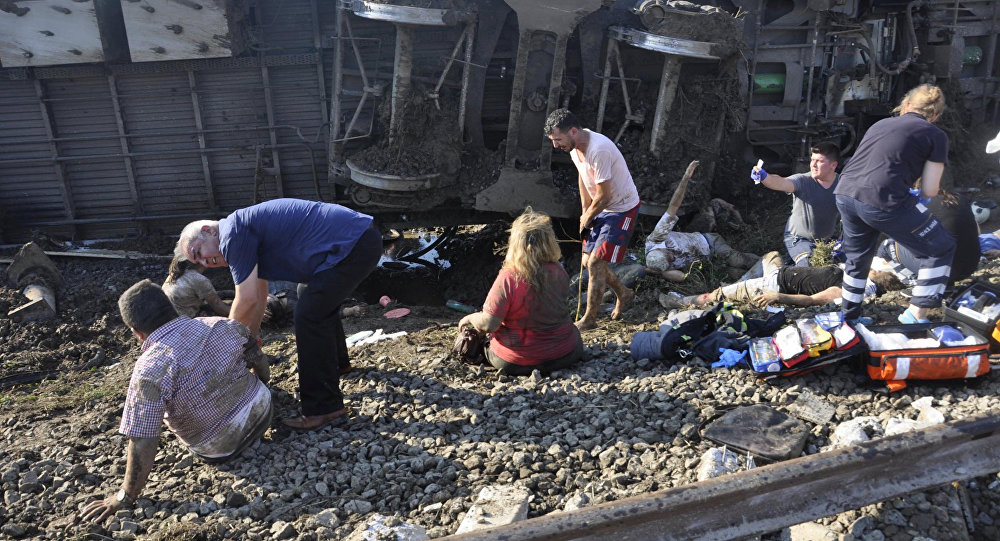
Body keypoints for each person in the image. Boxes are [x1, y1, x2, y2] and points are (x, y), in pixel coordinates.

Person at [175, 198, 381, 430]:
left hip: (355, 243)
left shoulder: (232, 234)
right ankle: (338, 365)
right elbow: (259, 297)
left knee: (308, 314)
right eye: (198, 261)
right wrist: (248, 345)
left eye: (199, 252)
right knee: (310, 296)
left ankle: (325, 408)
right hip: (359, 238)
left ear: (208, 231)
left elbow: (246, 298)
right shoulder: (239, 232)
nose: (205, 262)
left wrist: (228, 351)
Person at [81, 280, 271, 524]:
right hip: (263, 410)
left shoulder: (149, 369)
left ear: (137, 333)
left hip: (220, 447)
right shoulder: (222, 324)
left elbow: (143, 439)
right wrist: (264, 384)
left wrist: (125, 496)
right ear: (172, 307)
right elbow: (257, 358)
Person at [832, 84, 954, 324]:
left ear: (906, 105)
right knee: (941, 246)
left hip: (846, 193)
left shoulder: (880, 124)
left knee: (858, 258)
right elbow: (930, 189)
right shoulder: (935, 135)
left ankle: (849, 319)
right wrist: (918, 195)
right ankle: (915, 315)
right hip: (883, 199)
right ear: (936, 115)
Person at [544, 108, 639, 331]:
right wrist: (584, 210)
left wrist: (589, 215)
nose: (555, 145)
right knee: (587, 262)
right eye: (553, 140)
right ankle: (624, 293)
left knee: (596, 262)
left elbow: (605, 196)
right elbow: (582, 176)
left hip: (620, 208)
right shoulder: (574, 148)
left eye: (558, 139)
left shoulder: (599, 150)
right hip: (601, 207)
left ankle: (589, 320)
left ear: (574, 131)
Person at [457, 208, 583, 375]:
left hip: (515, 361)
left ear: (515, 242)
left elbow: (489, 324)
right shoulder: (559, 270)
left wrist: (469, 318)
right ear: (550, 241)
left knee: (477, 341)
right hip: (566, 354)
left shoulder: (509, 278)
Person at [659, 251, 904, 309]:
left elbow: (811, 300)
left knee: (716, 296)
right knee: (771, 254)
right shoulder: (850, 274)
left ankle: (677, 302)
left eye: (875, 271)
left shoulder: (847, 289)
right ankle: (740, 279)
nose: (872, 268)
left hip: (773, 285)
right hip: (780, 271)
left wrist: (778, 297)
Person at [644, 160, 759, 282]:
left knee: (737, 260)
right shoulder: (661, 265)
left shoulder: (657, 237)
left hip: (709, 242)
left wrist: (685, 179)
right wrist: (658, 272)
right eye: (669, 262)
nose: (673, 258)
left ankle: (768, 262)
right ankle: (763, 277)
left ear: (659, 248)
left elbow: (673, 206)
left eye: (668, 255)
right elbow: (682, 277)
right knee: (737, 274)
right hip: (710, 262)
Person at [751, 142, 841, 266]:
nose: (813, 165)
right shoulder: (803, 180)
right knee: (808, 268)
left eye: (819, 161)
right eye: (812, 160)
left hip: (826, 241)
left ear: (833, 165)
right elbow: (781, 182)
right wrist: (765, 177)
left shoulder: (843, 184)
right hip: (798, 238)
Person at [877, 190, 980, 286]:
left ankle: (915, 282)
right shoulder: (958, 197)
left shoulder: (917, 206)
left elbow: (910, 242)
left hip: (944, 272)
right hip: (972, 265)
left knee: (886, 246)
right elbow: (978, 231)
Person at [162, 255, 230, 318]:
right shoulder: (198, 279)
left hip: (168, 317)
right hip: (184, 320)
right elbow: (217, 304)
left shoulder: (174, 274)